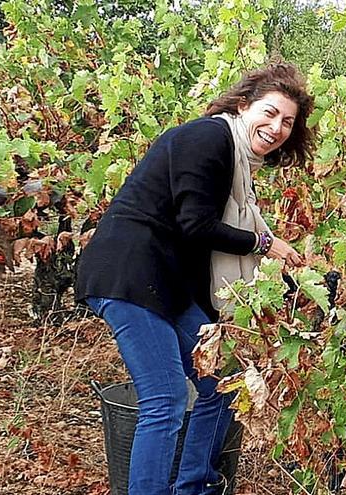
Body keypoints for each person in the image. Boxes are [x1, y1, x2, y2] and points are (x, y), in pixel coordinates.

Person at [75, 61, 316, 495]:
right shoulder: (210, 139)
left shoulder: (235, 157)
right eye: (270, 112)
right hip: (131, 276)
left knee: (224, 381)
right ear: (244, 105)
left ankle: (193, 486)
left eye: (287, 121)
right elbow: (196, 226)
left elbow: (199, 245)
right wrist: (265, 244)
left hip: (167, 282)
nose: (277, 127)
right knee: (164, 401)